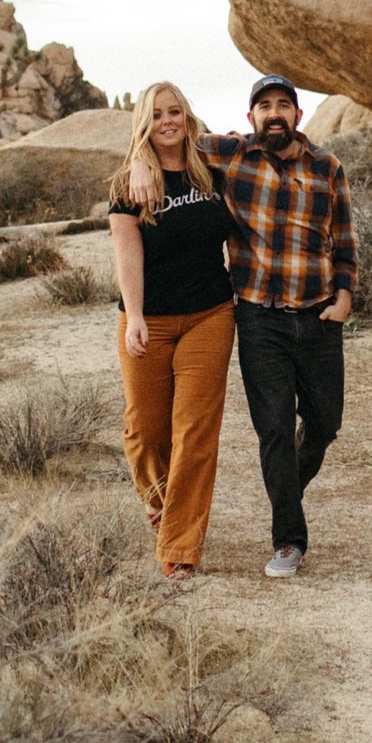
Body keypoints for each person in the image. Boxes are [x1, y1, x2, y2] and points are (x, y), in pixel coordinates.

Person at [131, 73, 356, 579]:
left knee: (324, 425)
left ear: (298, 116)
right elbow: (166, 135)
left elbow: (344, 240)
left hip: (319, 315)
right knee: (273, 428)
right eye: (264, 106)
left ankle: (284, 490)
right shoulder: (231, 155)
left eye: (283, 105)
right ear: (250, 117)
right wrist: (138, 161)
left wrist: (343, 299)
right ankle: (288, 539)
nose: (273, 113)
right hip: (258, 317)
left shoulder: (328, 168)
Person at [107, 81, 237, 581]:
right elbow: (127, 252)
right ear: (143, 121)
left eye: (175, 111)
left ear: (187, 115)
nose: (168, 121)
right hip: (149, 319)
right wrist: (135, 315)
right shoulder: (129, 183)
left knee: (195, 432)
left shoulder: (212, 168)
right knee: (143, 431)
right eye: (157, 114)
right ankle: (163, 507)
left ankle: (179, 546)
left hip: (210, 314)